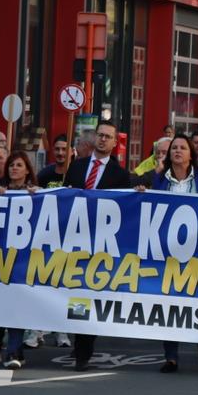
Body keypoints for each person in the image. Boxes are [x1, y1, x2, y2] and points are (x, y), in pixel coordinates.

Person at [143, 134, 198, 373]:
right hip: (168, 249)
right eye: (173, 148)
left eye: (182, 148)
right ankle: (171, 356)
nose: (177, 151)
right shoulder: (159, 178)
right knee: (170, 298)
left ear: (190, 154)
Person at [63, 120, 132, 370]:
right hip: (75, 239)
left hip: (102, 243)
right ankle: (77, 340)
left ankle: (84, 349)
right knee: (74, 291)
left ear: (115, 143)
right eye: (100, 135)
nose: (103, 139)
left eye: (108, 137)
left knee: (90, 291)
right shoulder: (77, 167)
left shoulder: (120, 174)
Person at [0, 153, 40, 369]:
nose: (14, 168)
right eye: (11, 165)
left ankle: (13, 349)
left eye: (19, 165)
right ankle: (10, 348)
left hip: (24, 260)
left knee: (17, 304)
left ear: (28, 170)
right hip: (0, 257)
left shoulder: (37, 194)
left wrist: (37, 197)